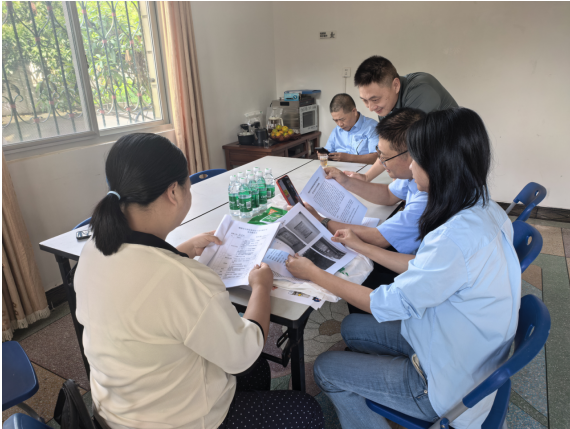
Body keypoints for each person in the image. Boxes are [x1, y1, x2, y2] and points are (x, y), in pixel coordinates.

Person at [286, 108, 521, 429]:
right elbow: (426, 267)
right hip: (458, 345)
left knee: (325, 367)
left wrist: (314, 274)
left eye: (416, 159)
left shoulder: (453, 237)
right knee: (351, 328)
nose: (409, 166)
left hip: (446, 385)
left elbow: (381, 303)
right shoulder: (482, 206)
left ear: (438, 165)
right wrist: (361, 246)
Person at [74, 133, 323, 429]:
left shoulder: (93, 249)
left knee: (257, 372)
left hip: (115, 410)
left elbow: (142, 282)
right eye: (188, 185)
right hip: (173, 422)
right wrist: (260, 287)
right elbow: (244, 352)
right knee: (306, 410)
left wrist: (181, 251)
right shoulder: (183, 279)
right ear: (174, 192)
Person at [307, 107, 427, 314]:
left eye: (384, 157)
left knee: (356, 264)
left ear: (411, 157)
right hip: (417, 263)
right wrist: (346, 181)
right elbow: (389, 195)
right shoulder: (414, 175)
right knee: (358, 251)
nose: (381, 163)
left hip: (417, 280)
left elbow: (379, 238)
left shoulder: (426, 194)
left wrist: (321, 221)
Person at [345, 55, 458, 182]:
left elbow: (401, 146)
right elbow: (388, 149)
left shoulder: (420, 90)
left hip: (454, 159)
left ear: (396, 85)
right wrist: (366, 177)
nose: (370, 108)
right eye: (365, 101)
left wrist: (395, 184)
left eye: (375, 99)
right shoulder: (385, 106)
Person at [322, 93, 378, 164]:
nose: (340, 124)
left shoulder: (372, 127)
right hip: (338, 168)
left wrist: (349, 158)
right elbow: (328, 151)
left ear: (354, 112)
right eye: (336, 120)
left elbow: (377, 157)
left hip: (364, 169)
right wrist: (323, 155)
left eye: (342, 119)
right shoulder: (336, 130)